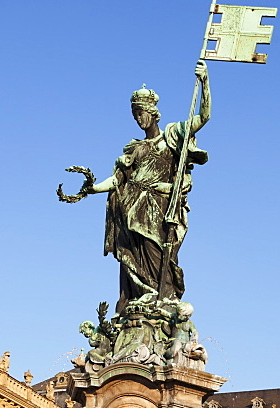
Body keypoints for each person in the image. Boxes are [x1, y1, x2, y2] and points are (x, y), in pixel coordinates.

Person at [89, 61, 211, 311]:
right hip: (131, 210)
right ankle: (141, 297)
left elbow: (204, 116)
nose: (138, 119)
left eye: (141, 113)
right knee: (133, 254)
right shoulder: (134, 148)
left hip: (159, 207)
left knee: (157, 252)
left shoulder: (171, 135)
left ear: (153, 112)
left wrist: (205, 82)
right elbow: (118, 180)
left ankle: (162, 296)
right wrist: (91, 189)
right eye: (134, 115)